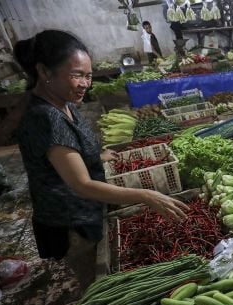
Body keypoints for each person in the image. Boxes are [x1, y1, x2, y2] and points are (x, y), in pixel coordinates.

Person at [13, 30, 188, 287]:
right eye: (77, 75)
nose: (86, 83)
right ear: (44, 72)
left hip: (87, 210)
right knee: (95, 283)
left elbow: (68, 148)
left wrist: (97, 154)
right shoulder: (46, 117)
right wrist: (147, 196)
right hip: (72, 220)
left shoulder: (64, 102)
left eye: (88, 76)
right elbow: (81, 185)